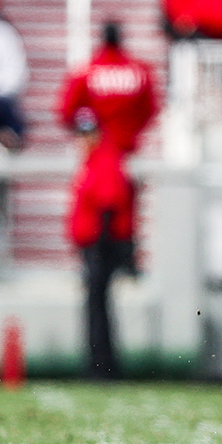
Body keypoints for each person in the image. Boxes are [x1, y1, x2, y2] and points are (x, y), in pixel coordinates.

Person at [68, 108, 137, 378]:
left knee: (97, 307)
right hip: (96, 244)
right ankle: (100, 363)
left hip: (101, 245)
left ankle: (101, 365)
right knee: (96, 306)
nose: (83, 139)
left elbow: (109, 203)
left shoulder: (105, 159)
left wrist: (100, 246)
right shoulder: (95, 159)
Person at [59, 22, 157, 153]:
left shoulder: (86, 72)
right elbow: (150, 109)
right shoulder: (139, 71)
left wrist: (87, 132)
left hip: (96, 150)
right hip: (127, 147)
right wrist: (132, 131)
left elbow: (66, 110)